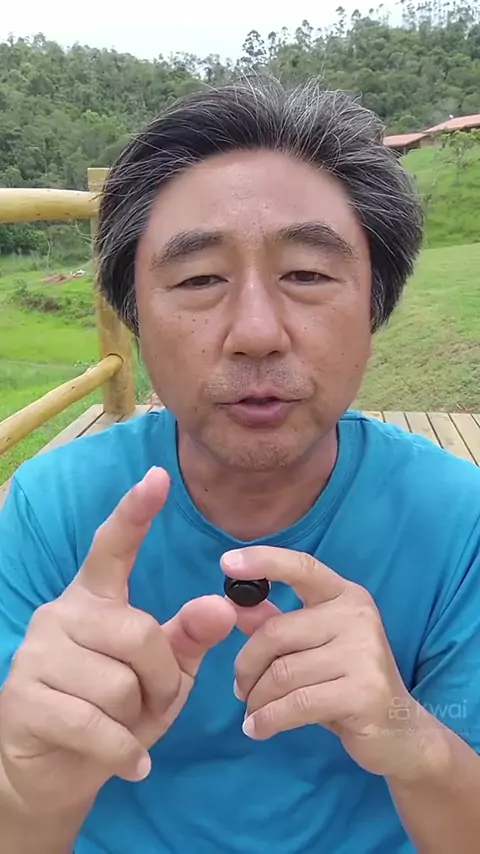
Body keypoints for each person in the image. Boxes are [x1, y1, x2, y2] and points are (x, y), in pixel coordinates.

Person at [0, 76, 479, 854]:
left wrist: (412, 736)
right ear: (135, 317)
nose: (256, 332)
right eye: (199, 280)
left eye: (307, 274)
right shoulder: (50, 510)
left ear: (374, 307)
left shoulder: (460, 519)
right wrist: (29, 791)